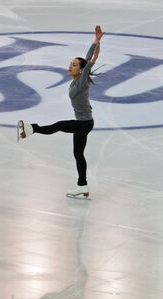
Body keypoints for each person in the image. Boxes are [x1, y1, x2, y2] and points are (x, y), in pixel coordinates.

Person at [17, 25, 104, 198]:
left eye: (73, 65)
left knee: (59, 125)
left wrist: (97, 45)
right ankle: (83, 186)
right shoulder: (78, 78)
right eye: (70, 64)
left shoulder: (81, 81)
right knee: (78, 153)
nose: (70, 66)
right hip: (84, 122)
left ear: (80, 69)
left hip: (84, 123)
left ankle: (32, 128)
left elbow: (91, 60)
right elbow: (87, 58)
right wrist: (96, 40)